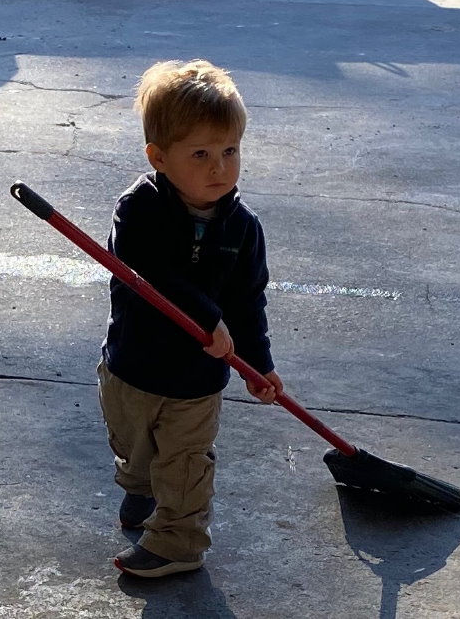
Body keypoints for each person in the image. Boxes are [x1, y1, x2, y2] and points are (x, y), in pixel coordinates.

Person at [97, 59, 284, 578]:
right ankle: (140, 485)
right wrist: (205, 316)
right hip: (130, 365)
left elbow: (248, 300)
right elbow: (147, 268)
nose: (218, 168)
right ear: (159, 157)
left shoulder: (243, 228)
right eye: (199, 154)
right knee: (133, 447)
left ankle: (178, 542)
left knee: (184, 463)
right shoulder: (138, 209)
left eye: (230, 151)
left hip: (195, 384)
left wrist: (258, 363)